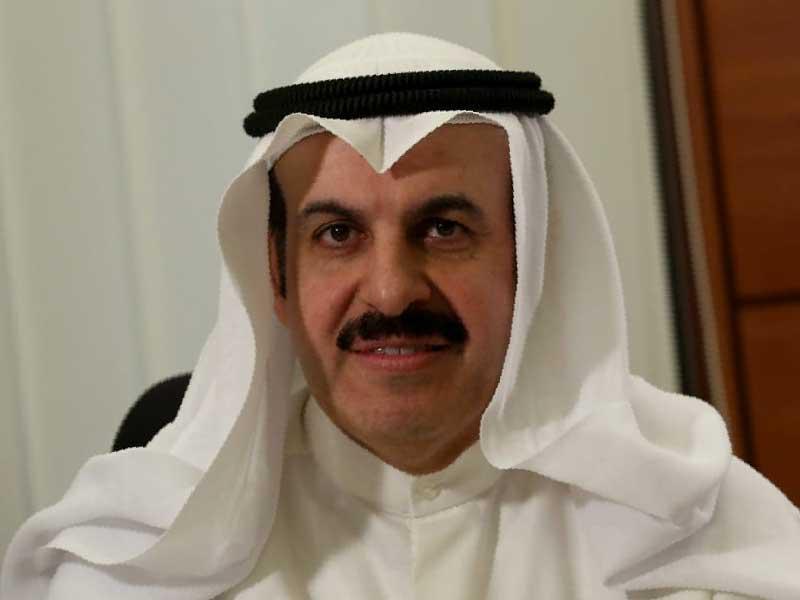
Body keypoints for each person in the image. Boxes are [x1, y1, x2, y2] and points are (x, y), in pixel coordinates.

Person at [2, 32, 799, 600]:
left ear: (532, 262)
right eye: (337, 234)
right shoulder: (142, 557)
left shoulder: (695, 534)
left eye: (444, 229)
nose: (389, 293)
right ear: (276, 275)